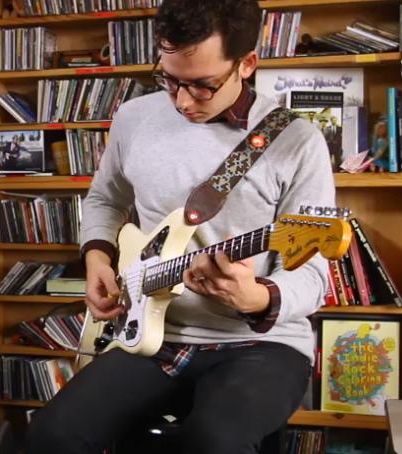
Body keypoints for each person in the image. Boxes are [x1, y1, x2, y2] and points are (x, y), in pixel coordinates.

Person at [25, 1, 334, 453]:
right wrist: (96, 259)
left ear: (246, 64)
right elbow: (105, 199)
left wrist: (257, 296)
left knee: (213, 442)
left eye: (203, 86)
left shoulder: (296, 140)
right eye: (169, 79)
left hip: (258, 345)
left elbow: (313, 276)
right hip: (151, 333)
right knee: (51, 435)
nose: (183, 101)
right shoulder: (134, 118)